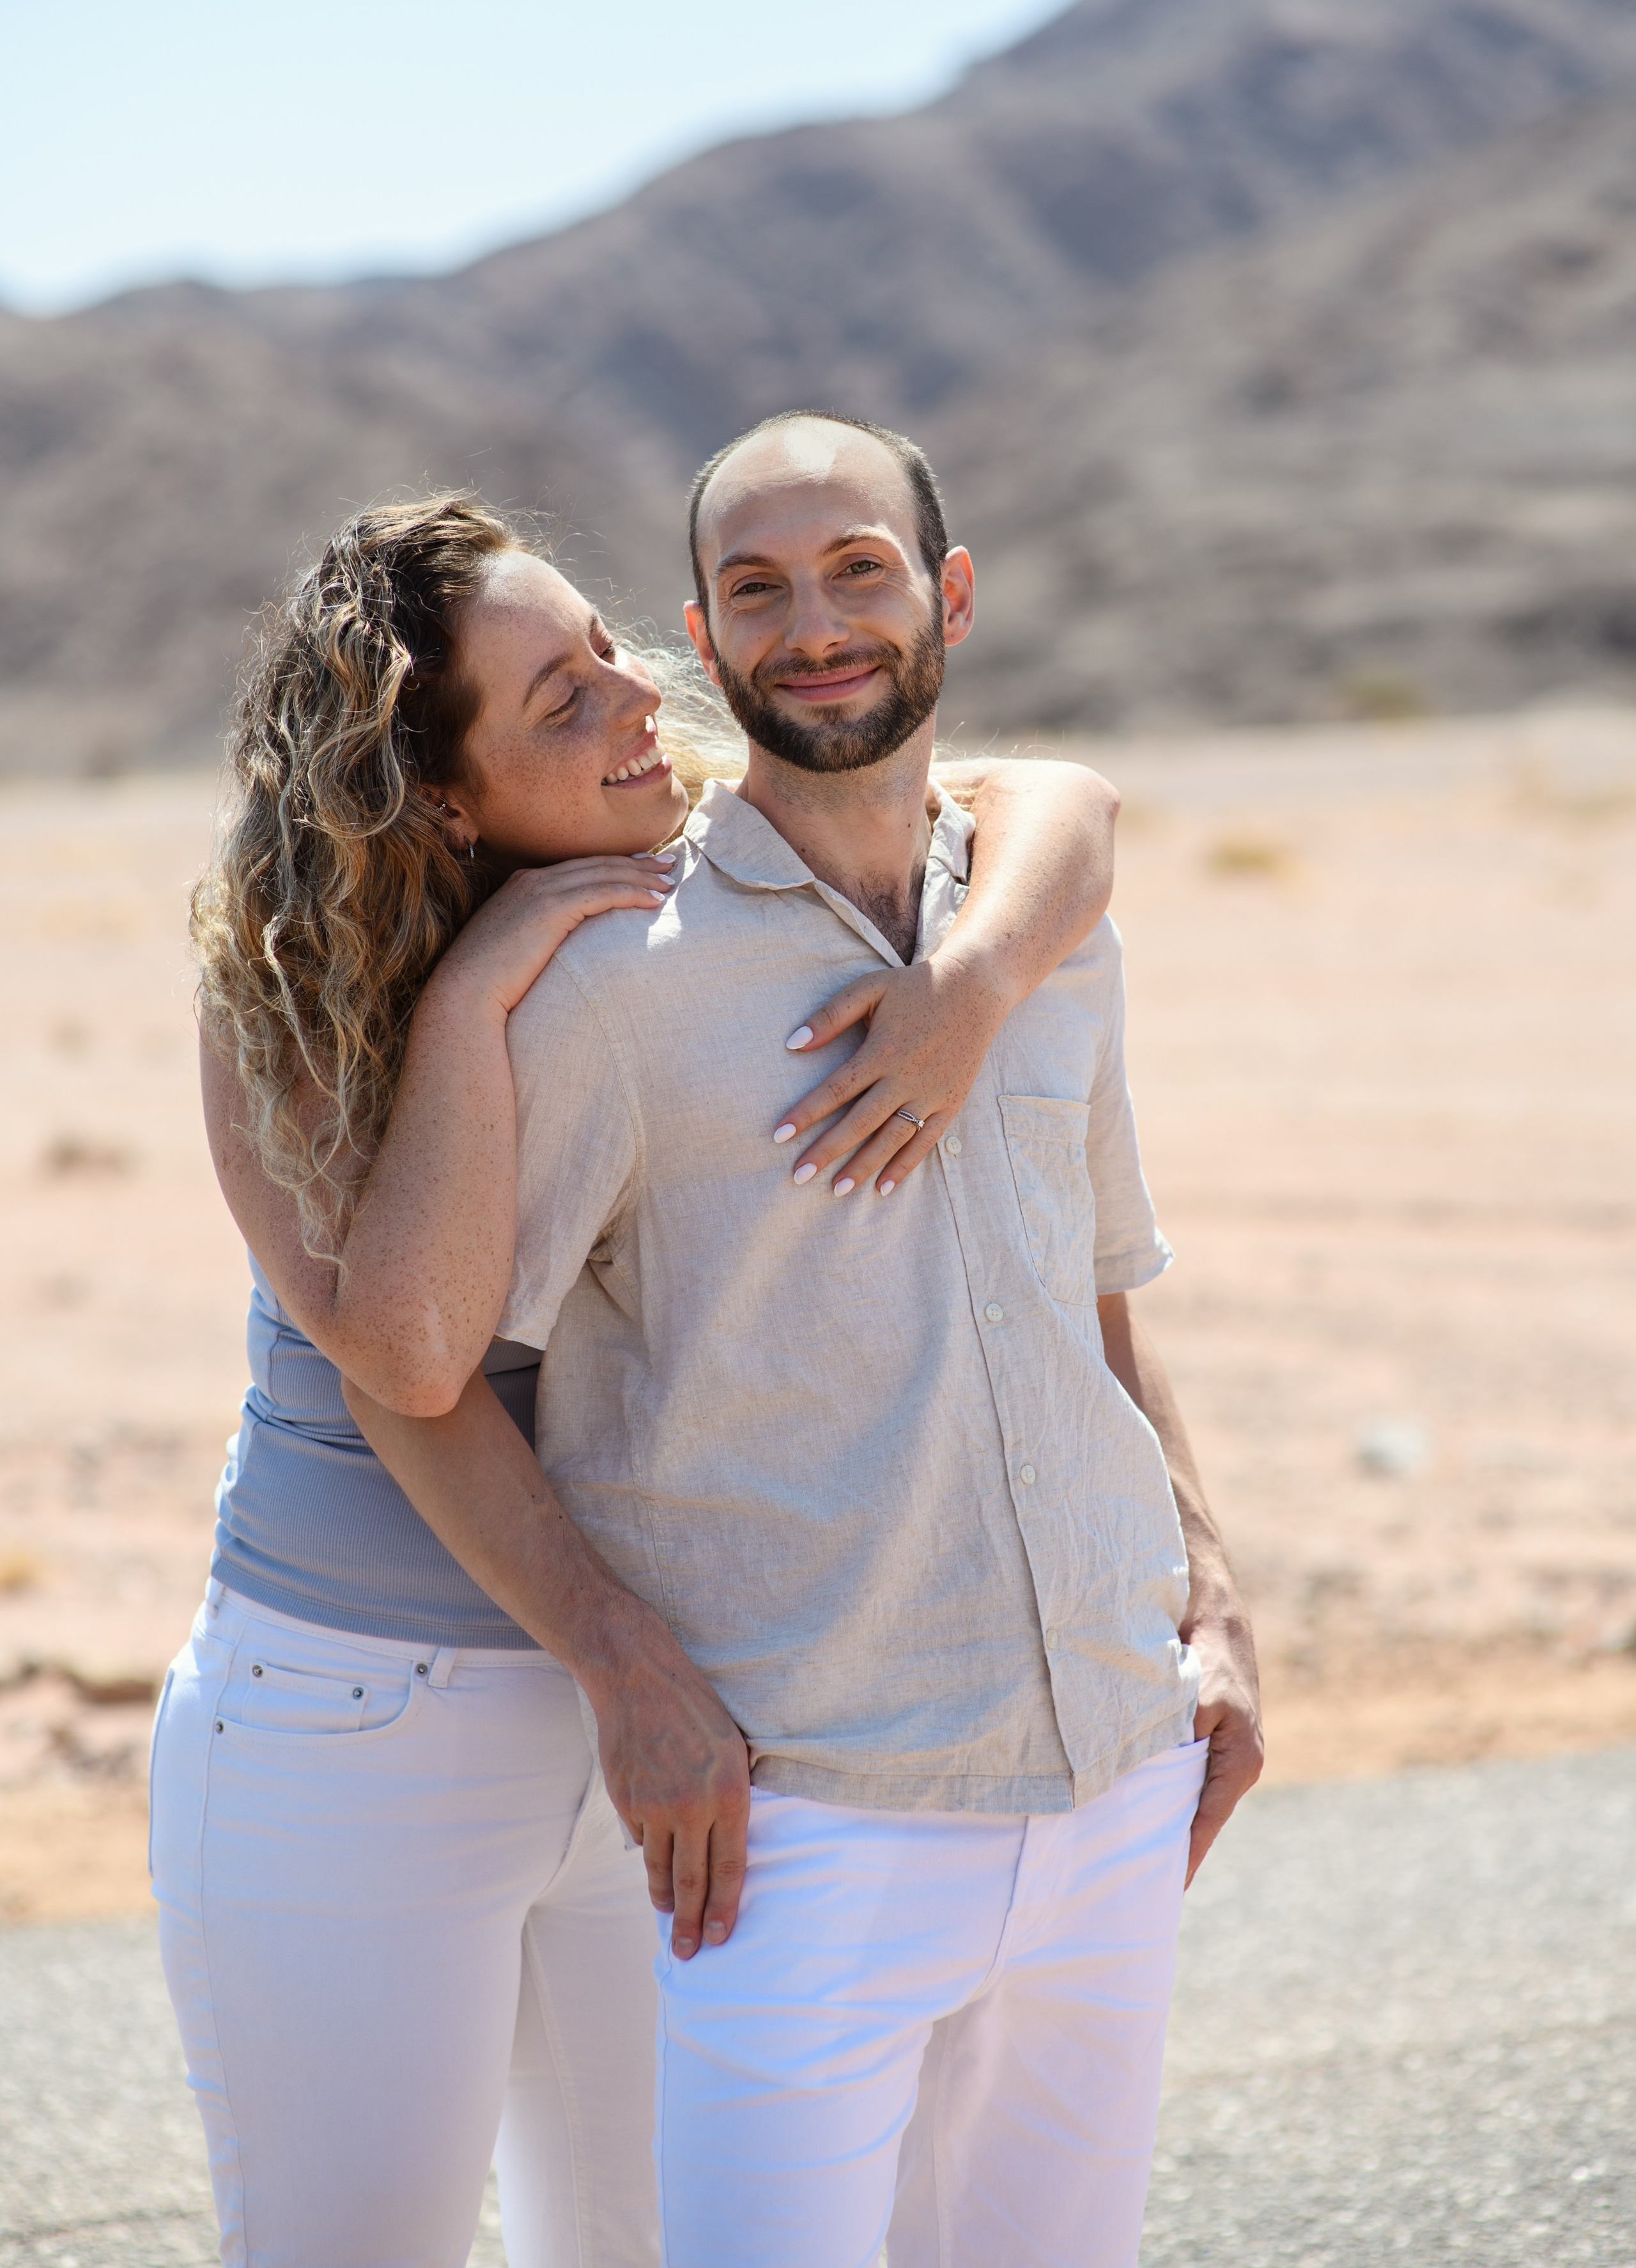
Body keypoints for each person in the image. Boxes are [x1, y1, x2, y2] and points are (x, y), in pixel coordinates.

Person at [151, 489, 1125, 2268]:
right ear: (440, 797)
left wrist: (971, 990)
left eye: (604, 645)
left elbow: (1062, 802)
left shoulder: (689, 873)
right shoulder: (286, 992)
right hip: (358, 1716)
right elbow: (413, 1358)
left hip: (657, 1716)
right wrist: (480, 994)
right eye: (559, 699)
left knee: (641, 2242)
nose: (629, 698)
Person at [348, 415, 1264, 2268]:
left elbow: (1092, 1287)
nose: (815, 625)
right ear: (705, 631)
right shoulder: (611, 978)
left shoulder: (1048, 929)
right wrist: (623, 1670)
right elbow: (415, 1375)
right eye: (756, 590)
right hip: (807, 1832)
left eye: (858, 570)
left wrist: (1216, 1590)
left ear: (951, 595)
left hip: (1114, 1780)